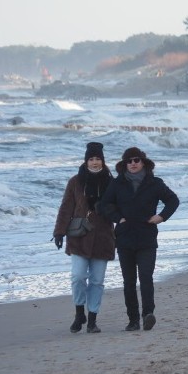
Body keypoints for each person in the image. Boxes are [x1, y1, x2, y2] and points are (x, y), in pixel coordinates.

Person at [101, 147, 180, 331]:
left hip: (147, 238)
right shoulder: (117, 184)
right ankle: (133, 319)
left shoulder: (154, 183)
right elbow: (104, 204)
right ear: (124, 164)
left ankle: (148, 314)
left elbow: (173, 200)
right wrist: (118, 218)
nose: (133, 163)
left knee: (146, 277)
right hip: (124, 238)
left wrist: (161, 217)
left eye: (136, 160)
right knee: (129, 281)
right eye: (129, 161)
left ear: (143, 162)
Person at [53, 142, 115, 334]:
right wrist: (59, 232)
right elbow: (66, 207)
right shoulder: (75, 181)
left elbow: (120, 208)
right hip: (79, 236)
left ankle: (92, 320)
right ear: (86, 160)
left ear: (103, 161)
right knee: (78, 276)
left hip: (104, 237)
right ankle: (79, 312)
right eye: (91, 159)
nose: (95, 162)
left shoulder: (112, 182)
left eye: (98, 159)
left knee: (97, 280)